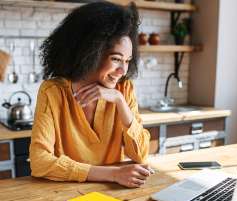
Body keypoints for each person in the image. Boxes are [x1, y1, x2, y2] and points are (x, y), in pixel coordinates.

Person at [29, 1, 152, 188]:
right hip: (65, 194)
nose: (122, 71)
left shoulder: (124, 89)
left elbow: (141, 155)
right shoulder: (53, 92)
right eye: (116, 59)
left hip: (114, 194)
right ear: (89, 52)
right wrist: (114, 174)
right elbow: (39, 162)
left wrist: (119, 101)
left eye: (127, 61)